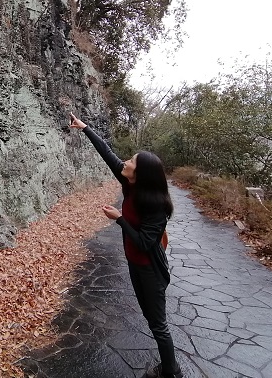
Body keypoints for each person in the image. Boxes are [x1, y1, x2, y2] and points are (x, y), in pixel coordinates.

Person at [69, 112, 182, 378]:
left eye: (131, 161)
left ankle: (171, 371)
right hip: (135, 264)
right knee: (151, 319)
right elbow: (107, 153)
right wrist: (85, 128)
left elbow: (144, 242)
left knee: (158, 325)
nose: (126, 161)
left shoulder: (156, 205)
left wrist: (119, 219)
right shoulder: (130, 184)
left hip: (150, 270)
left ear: (140, 173)